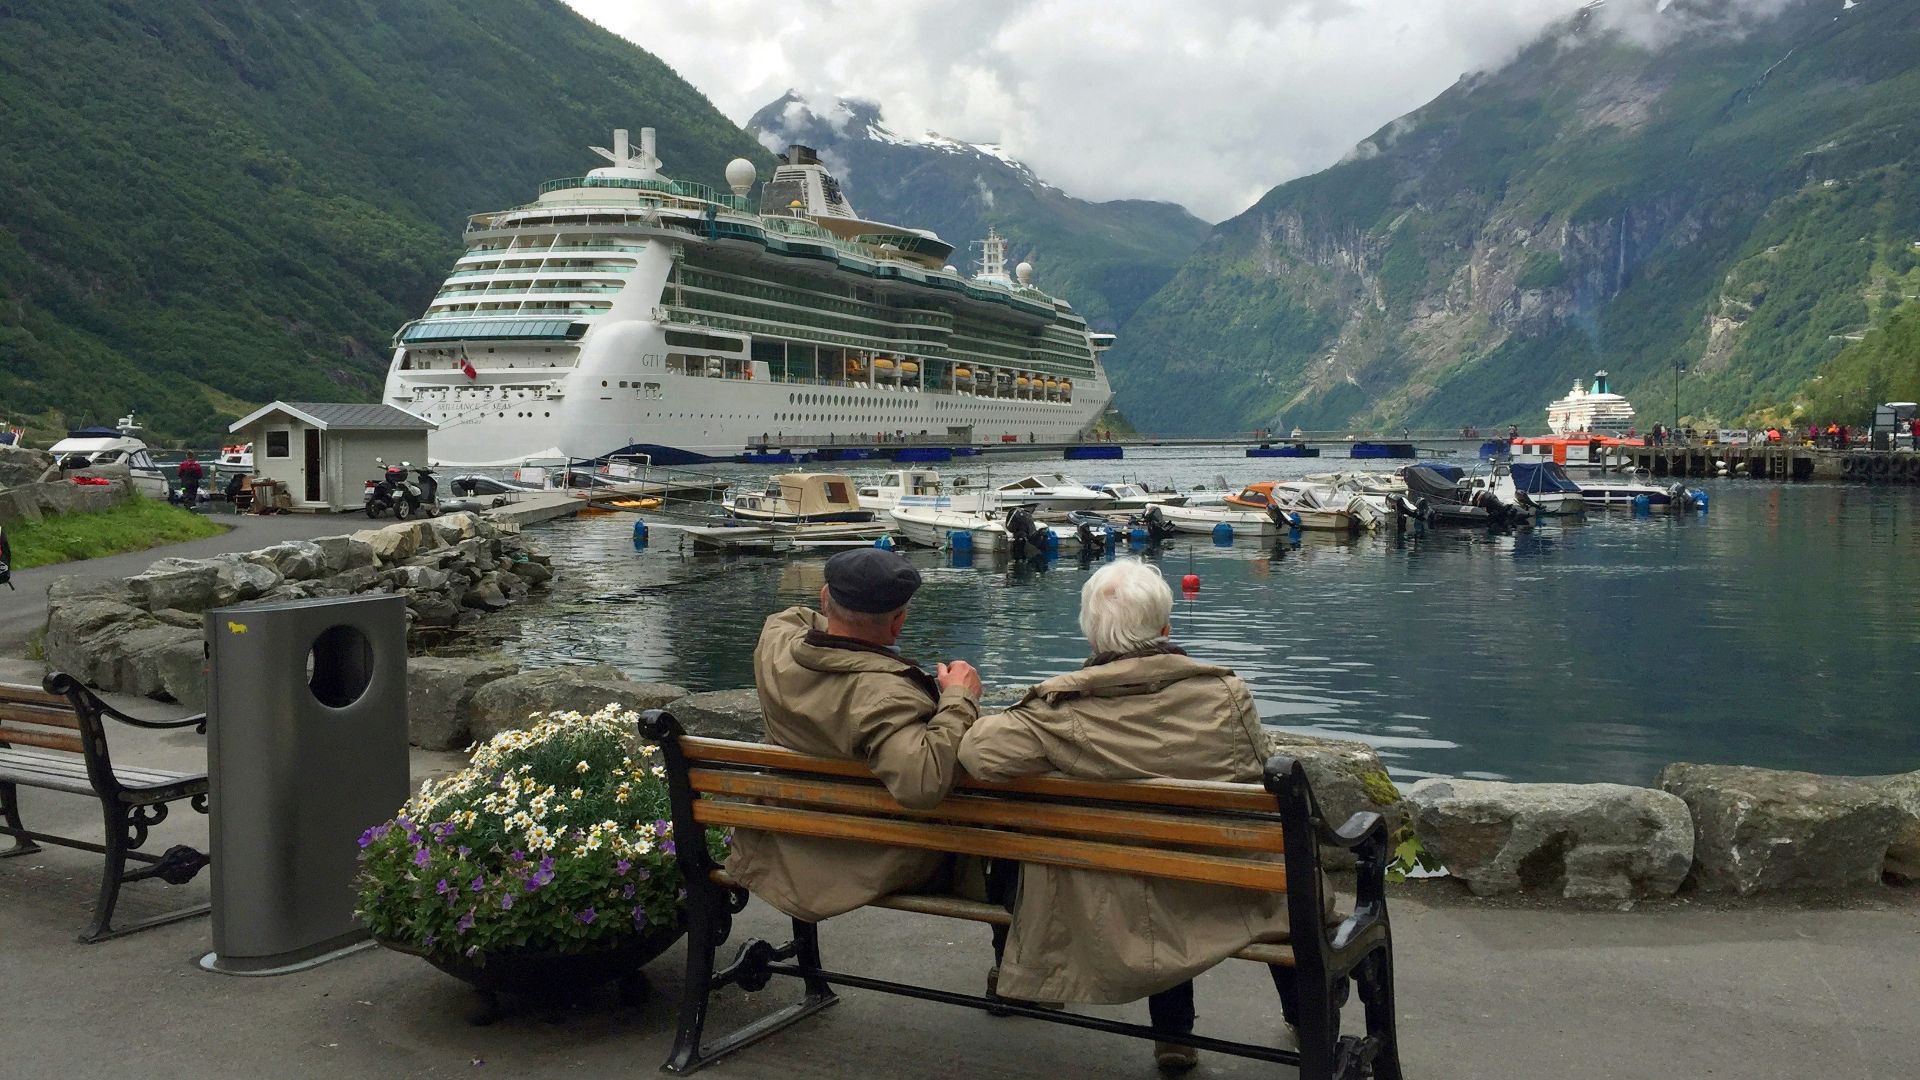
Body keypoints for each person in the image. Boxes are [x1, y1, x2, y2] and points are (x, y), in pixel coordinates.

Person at [958, 559, 1303, 1072]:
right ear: (1165, 629)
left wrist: (962, 699)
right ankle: (1298, 1013)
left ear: (1091, 635)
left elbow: (979, 756)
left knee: (1142, 870)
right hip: (1223, 886)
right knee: (1236, 871)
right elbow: (1254, 773)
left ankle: (1164, 1030)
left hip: (1107, 898)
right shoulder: (1229, 695)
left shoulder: (1060, 711)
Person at [726, 547, 983, 923]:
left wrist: (842, 620)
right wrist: (960, 697)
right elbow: (921, 783)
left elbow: (798, 618)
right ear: (898, 621)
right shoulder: (887, 696)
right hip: (859, 860)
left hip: (781, 841)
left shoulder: (775, 644)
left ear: (825, 598)